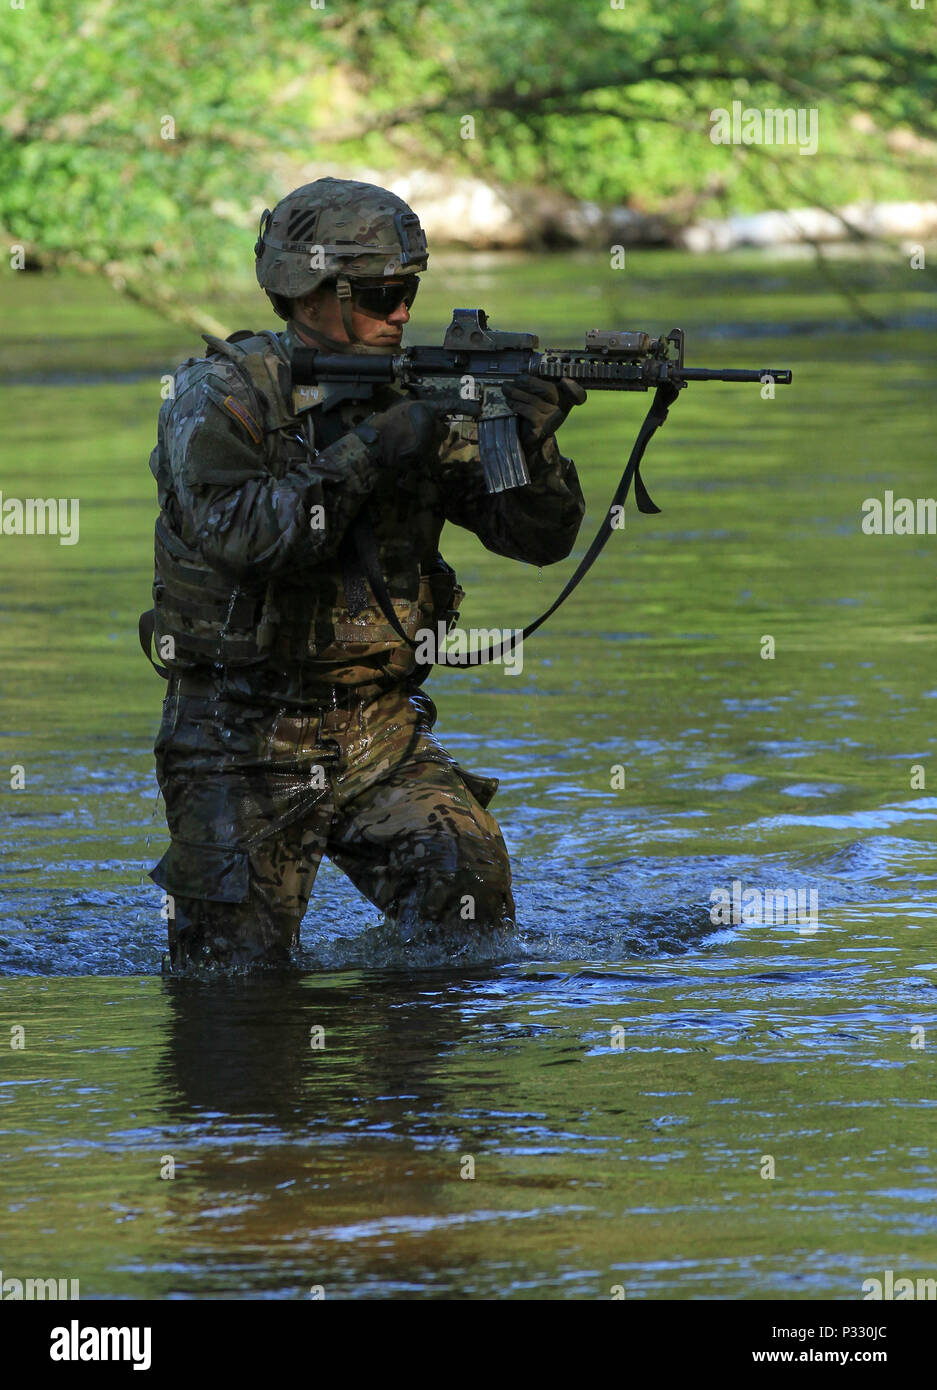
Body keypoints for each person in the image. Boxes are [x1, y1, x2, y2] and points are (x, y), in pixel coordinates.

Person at [141, 177, 586, 972]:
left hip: (378, 727)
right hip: (236, 734)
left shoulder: (423, 395)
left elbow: (535, 540)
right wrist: (373, 448)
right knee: (233, 989)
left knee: (468, 916)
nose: (402, 314)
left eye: (408, 290)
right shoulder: (222, 398)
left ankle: (403, 1091)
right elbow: (244, 536)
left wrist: (530, 444)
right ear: (309, 291)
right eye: (381, 294)